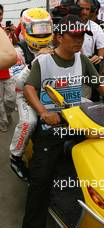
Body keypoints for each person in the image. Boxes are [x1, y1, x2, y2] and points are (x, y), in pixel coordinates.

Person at [22, 14, 104, 228]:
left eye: (81, 36)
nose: (78, 40)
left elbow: (98, 82)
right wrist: (44, 112)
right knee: (40, 180)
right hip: (52, 127)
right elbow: (29, 88)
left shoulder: (83, 60)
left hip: (80, 122)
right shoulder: (44, 62)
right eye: (73, 35)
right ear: (59, 36)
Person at [9, 8, 53, 181]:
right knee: (29, 121)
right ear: (27, 29)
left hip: (51, 92)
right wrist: (35, 61)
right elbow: (17, 83)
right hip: (25, 95)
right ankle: (15, 156)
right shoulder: (18, 51)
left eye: (45, 28)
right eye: (38, 29)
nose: (42, 35)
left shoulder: (54, 46)